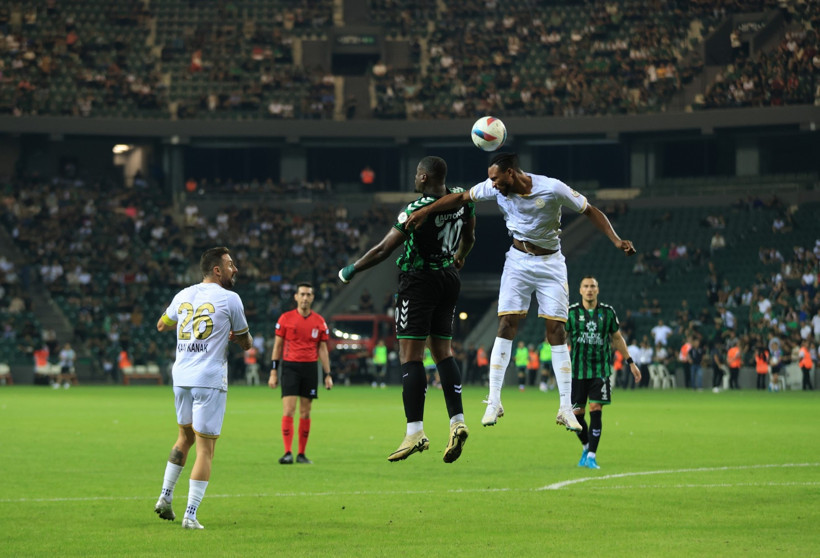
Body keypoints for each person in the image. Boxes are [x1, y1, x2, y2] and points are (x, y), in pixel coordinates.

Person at [404, 151, 636, 431]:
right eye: (491, 180)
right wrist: (425, 210)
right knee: (506, 324)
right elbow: (461, 198)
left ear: (511, 173)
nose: (493, 184)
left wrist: (616, 240)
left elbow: (589, 210)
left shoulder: (551, 188)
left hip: (551, 263)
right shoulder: (493, 186)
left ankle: (565, 408)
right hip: (517, 260)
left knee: (557, 331)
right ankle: (494, 401)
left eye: (497, 179)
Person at [337, 155, 476, 463]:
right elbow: (469, 238)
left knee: (410, 356)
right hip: (449, 278)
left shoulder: (415, 210)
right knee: (444, 352)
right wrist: (460, 256)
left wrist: (352, 269)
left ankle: (415, 431)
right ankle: (457, 421)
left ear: (424, 178)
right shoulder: (461, 200)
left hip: (419, 281)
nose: (415, 178)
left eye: (417, 174)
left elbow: (384, 249)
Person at [154, 246, 253, 530]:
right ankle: (191, 514)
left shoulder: (183, 294)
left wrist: (188, 324)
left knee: (184, 438)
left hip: (181, 377)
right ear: (217, 270)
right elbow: (246, 343)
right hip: (208, 379)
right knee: (205, 450)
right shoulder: (230, 298)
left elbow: (162, 325)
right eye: (231, 264)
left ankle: (165, 497)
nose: (235, 269)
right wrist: (238, 339)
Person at [566, 276, 641, 469]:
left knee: (596, 409)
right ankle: (586, 446)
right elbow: (558, 337)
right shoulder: (571, 313)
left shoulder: (607, 313)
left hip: (600, 370)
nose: (589, 289)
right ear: (580, 290)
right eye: (586, 286)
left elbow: (617, 338)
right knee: (577, 415)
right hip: (577, 372)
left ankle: (591, 456)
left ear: (598, 290)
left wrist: (630, 362)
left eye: (593, 286)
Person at [268, 283, 333, 465]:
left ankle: (302, 454)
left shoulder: (319, 322)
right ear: (296, 297)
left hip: (310, 368)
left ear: (312, 298)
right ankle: (287, 452)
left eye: (308, 295)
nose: (305, 298)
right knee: (289, 410)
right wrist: (274, 371)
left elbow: (323, 350)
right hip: (290, 367)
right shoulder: (286, 318)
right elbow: (277, 346)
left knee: (305, 412)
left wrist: (328, 374)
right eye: (302, 294)